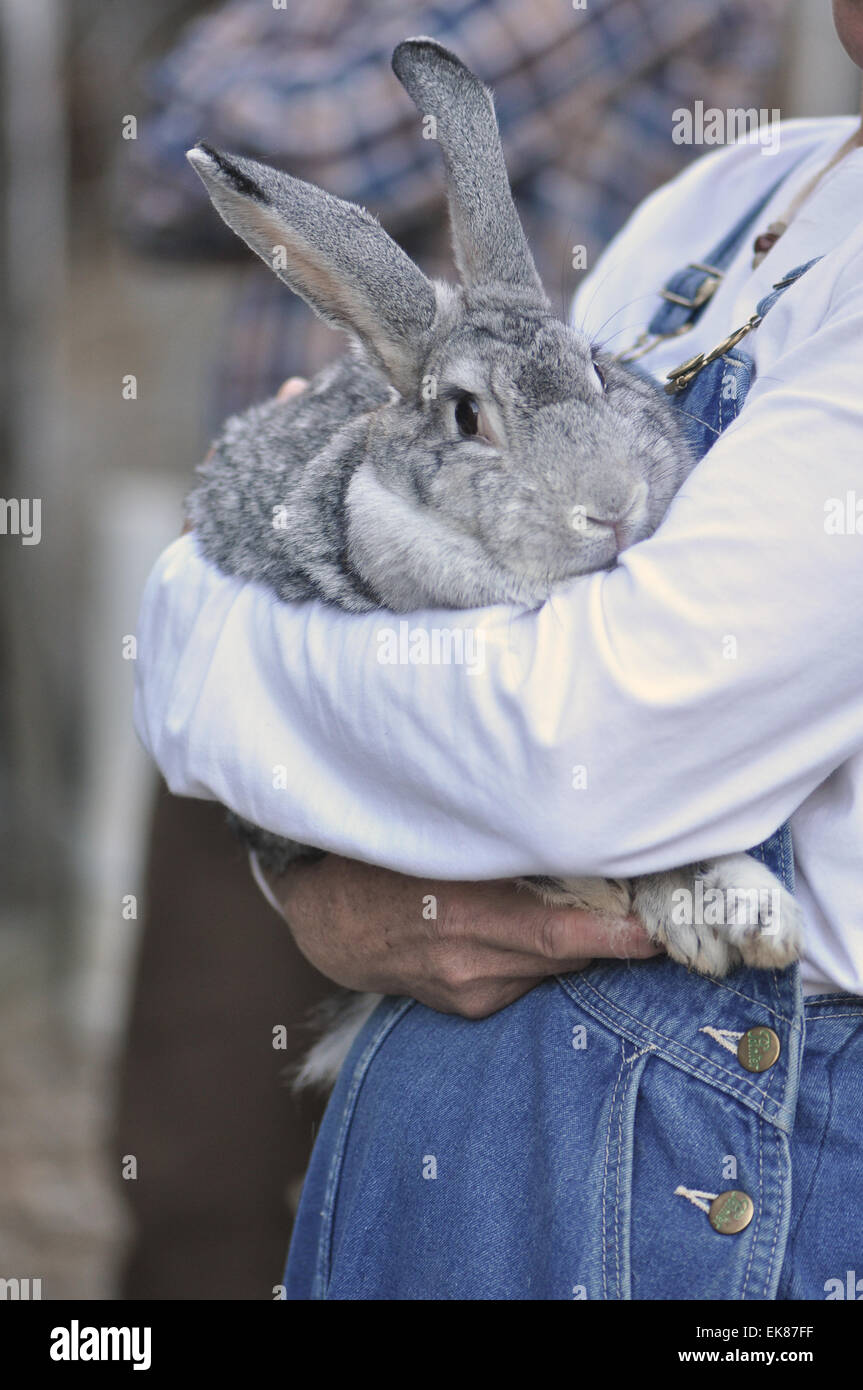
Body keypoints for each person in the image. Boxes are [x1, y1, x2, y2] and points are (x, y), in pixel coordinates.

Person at [135, 8, 863, 1297]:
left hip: (713, 1162)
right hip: (461, 1147)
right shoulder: (731, 191)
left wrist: (209, 638)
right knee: (182, 1165)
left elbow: (577, 744)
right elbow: (164, 160)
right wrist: (327, 870)